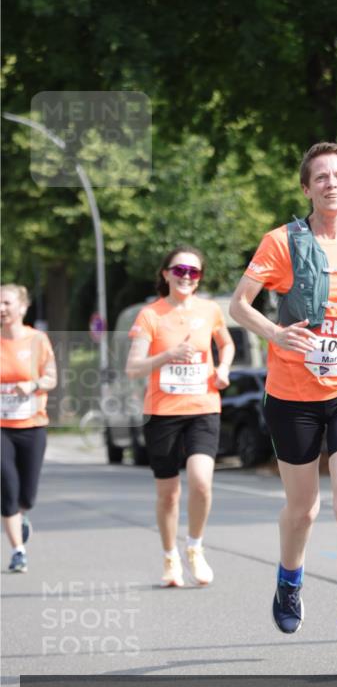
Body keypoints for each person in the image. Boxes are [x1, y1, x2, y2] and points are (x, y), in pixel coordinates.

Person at [230, 142, 337, 668]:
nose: (331, 183)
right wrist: (275, 334)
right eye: (320, 177)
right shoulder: (282, 243)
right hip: (294, 394)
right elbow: (240, 304)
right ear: (306, 188)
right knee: (302, 509)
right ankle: (289, 580)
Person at [126, 246, 235, 588]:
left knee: (202, 481)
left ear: (199, 277)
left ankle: (195, 547)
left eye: (193, 272)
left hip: (203, 406)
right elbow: (133, 368)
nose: (186, 277)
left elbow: (226, 344)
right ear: (166, 274)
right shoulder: (150, 316)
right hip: (162, 413)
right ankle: (170, 556)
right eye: (179, 270)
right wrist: (169, 354)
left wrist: (224, 369)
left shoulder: (211, 310)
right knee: (168, 493)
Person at [1, 284, 57, 573]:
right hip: (1, 428)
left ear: (22, 307)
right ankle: (18, 551)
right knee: (7, 486)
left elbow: (51, 378)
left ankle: (20, 515)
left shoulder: (37, 340)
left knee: (27, 495)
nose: (1, 309)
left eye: (6, 303)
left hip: (32, 424)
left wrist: (33, 385)